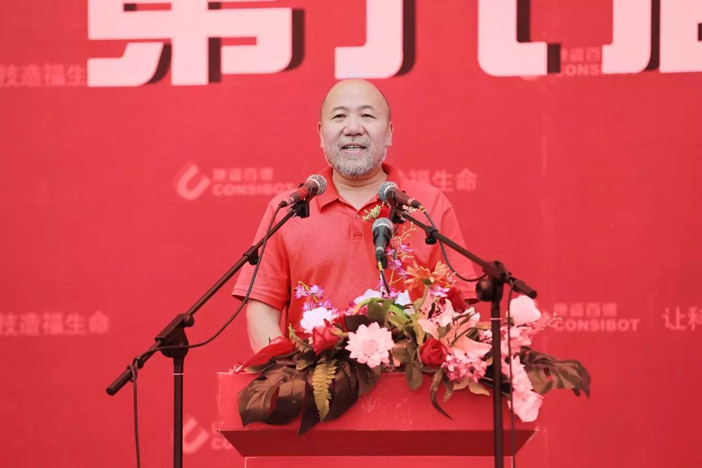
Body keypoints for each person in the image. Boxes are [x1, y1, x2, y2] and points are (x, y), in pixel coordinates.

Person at [233, 79, 477, 352]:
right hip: (312, 377)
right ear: (321, 134)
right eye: (339, 116)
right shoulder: (289, 210)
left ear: (389, 133)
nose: (352, 128)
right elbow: (262, 311)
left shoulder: (426, 206)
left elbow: (457, 309)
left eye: (367, 116)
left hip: (406, 376)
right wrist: (287, 372)